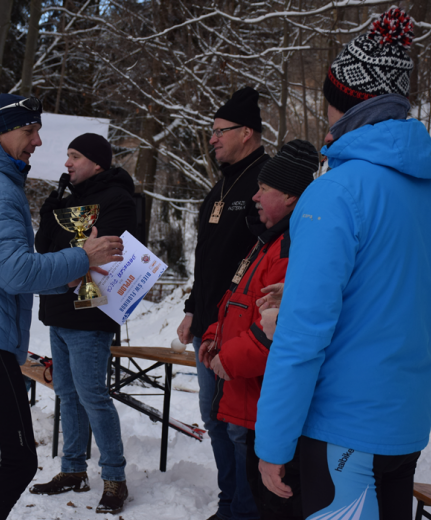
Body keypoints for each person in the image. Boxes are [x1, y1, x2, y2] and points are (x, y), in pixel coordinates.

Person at [253, 8, 431, 519]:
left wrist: (272, 443)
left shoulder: (337, 192)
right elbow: (395, 298)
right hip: (403, 424)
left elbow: (302, 333)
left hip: (341, 430)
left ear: (343, 102)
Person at [0, 93, 125, 520]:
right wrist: (82, 257)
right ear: (0, 133)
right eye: (29, 131)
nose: (38, 141)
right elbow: (15, 273)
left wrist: (67, 277)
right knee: (18, 461)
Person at [199, 140, 318, 520]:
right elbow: (236, 301)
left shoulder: (288, 249)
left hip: (259, 398)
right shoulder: (264, 242)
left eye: (264, 189)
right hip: (242, 392)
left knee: (260, 496)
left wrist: (228, 359)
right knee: (243, 471)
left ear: (290, 197)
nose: (254, 196)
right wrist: (212, 336)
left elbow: (277, 332)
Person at [176, 86, 270, 520]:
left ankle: (247, 510)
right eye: (210, 131)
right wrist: (193, 308)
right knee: (214, 419)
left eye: (219, 131)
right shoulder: (218, 189)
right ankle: (229, 501)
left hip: (243, 333)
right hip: (208, 328)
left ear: (247, 132)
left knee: (238, 428)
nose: (211, 138)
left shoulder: (266, 182)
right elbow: (207, 260)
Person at [30, 133, 136, 514]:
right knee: (68, 393)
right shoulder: (68, 199)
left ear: (97, 162)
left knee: (92, 394)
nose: (67, 163)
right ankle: (73, 470)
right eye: (68, 156)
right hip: (58, 305)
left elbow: (109, 253)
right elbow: (45, 248)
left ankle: (114, 477)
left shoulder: (118, 200)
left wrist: (74, 255)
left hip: (91, 313)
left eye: (75, 156)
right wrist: (52, 210)